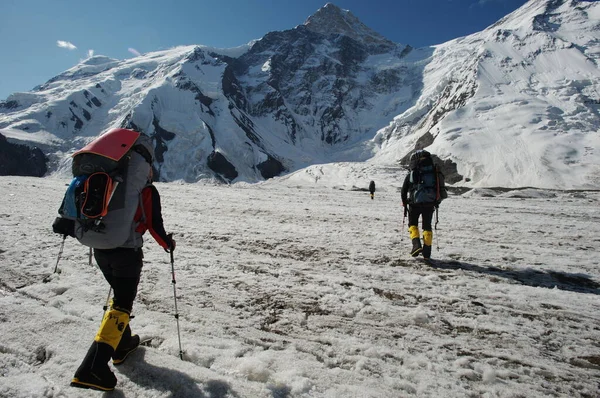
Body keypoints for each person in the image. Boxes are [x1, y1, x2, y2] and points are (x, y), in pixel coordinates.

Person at [70, 162, 176, 391]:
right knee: (122, 305)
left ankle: (122, 344)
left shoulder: (106, 185)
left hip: (100, 250)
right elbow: (153, 224)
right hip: (127, 253)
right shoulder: (145, 190)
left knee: (119, 298)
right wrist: (168, 244)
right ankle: (92, 368)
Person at [400, 149, 444, 260]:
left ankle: (416, 245)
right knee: (427, 226)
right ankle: (427, 251)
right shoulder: (434, 172)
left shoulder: (413, 172)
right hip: (430, 203)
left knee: (413, 224)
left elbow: (404, 190)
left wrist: (405, 203)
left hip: (414, 203)